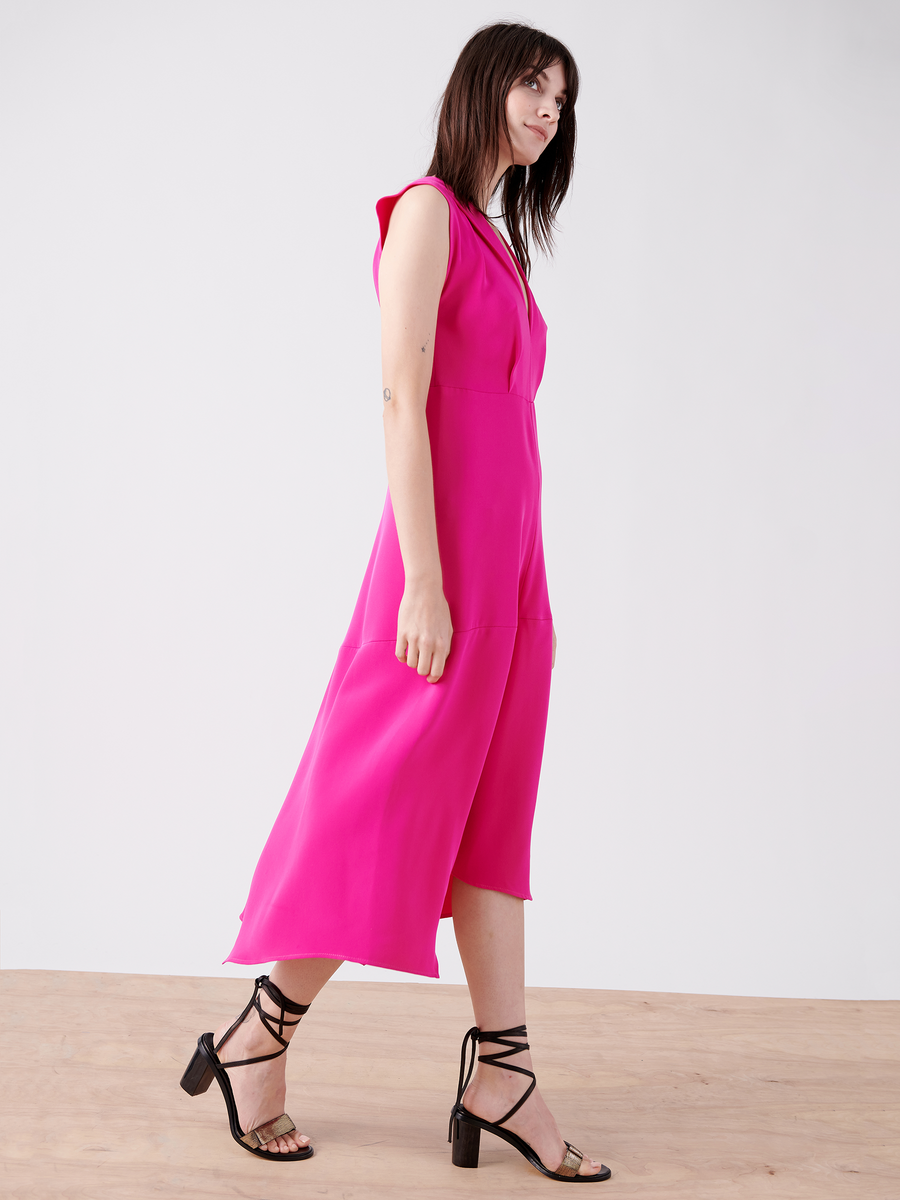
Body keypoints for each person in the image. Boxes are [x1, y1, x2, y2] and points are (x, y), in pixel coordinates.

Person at [180, 21, 610, 1184]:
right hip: (443, 567)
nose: (549, 109)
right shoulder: (425, 211)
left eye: (563, 98)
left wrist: (510, 583)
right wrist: (425, 575)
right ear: (482, 86)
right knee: (381, 807)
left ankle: (502, 1069)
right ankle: (256, 1037)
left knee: (492, 819)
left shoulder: (499, 238)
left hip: (515, 571)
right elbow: (399, 396)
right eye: (533, 84)